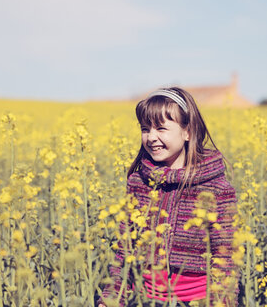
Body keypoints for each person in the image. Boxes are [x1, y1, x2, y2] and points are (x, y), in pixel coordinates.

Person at [99, 87, 238, 307]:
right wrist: (111, 299)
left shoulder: (217, 188)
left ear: (188, 132)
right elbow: (124, 251)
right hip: (143, 299)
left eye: (161, 128)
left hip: (195, 301)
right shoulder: (138, 182)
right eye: (145, 129)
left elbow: (226, 259)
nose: (151, 137)